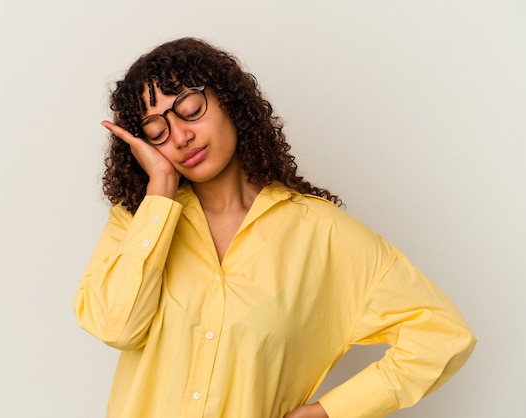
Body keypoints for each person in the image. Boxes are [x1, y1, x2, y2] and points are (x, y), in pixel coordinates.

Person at [74, 37, 476, 418]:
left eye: (190, 108)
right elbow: (117, 328)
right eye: (156, 131)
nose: (180, 137)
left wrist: (333, 411)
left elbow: (442, 335)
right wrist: (159, 192)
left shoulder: (321, 233)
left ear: (228, 100)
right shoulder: (139, 221)